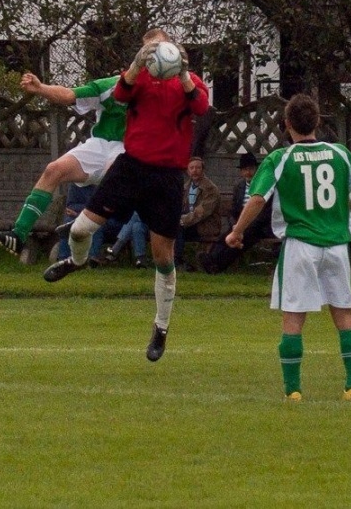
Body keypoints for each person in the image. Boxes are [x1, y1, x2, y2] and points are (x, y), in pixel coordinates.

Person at [43, 28, 210, 362]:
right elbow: (120, 95)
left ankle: (161, 328)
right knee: (79, 230)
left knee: (163, 257)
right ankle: (76, 261)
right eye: (148, 48)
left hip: (166, 177)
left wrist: (185, 76)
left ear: (172, 49)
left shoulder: (187, 79)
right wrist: (135, 66)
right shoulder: (139, 78)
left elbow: (202, 107)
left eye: (159, 48)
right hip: (130, 167)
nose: (154, 54)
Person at [226, 93, 351, 401]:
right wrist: (341, 210)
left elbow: (257, 198)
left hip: (300, 245)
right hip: (336, 246)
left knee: (293, 317)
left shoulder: (280, 158)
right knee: (344, 314)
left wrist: (237, 231)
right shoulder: (340, 153)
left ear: (286, 125)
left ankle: (293, 390)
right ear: (318, 122)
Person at [0, 72, 126, 255]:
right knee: (54, 169)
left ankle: (83, 225)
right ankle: (18, 235)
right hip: (100, 144)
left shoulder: (162, 93)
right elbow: (68, 95)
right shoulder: (112, 85)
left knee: (113, 172)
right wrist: (40, 88)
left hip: (131, 146)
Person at [199, 151, 276, 274]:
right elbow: (234, 209)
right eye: (245, 169)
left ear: (257, 170)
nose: (248, 172)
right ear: (241, 172)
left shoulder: (265, 185)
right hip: (241, 223)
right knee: (225, 237)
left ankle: (218, 265)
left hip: (259, 226)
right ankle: (211, 259)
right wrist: (237, 224)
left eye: (251, 169)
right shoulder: (239, 187)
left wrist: (245, 225)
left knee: (241, 240)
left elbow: (266, 213)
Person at [174, 156, 222, 270]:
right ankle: (174, 260)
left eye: (198, 168)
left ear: (203, 170)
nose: (194, 170)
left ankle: (177, 261)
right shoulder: (185, 187)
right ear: (188, 170)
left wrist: (181, 220)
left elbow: (201, 212)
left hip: (205, 226)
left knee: (177, 226)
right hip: (189, 224)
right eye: (192, 168)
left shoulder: (210, 189)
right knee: (173, 227)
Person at [56, 184, 104, 265]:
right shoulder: (76, 185)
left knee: (95, 226)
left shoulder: (104, 184)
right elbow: (71, 206)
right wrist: (86, 211)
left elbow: (103, 206)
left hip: (99, 217)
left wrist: (81, 211)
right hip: (77, 215)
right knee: (67, 225)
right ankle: (63, 258)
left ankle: (91, 259)